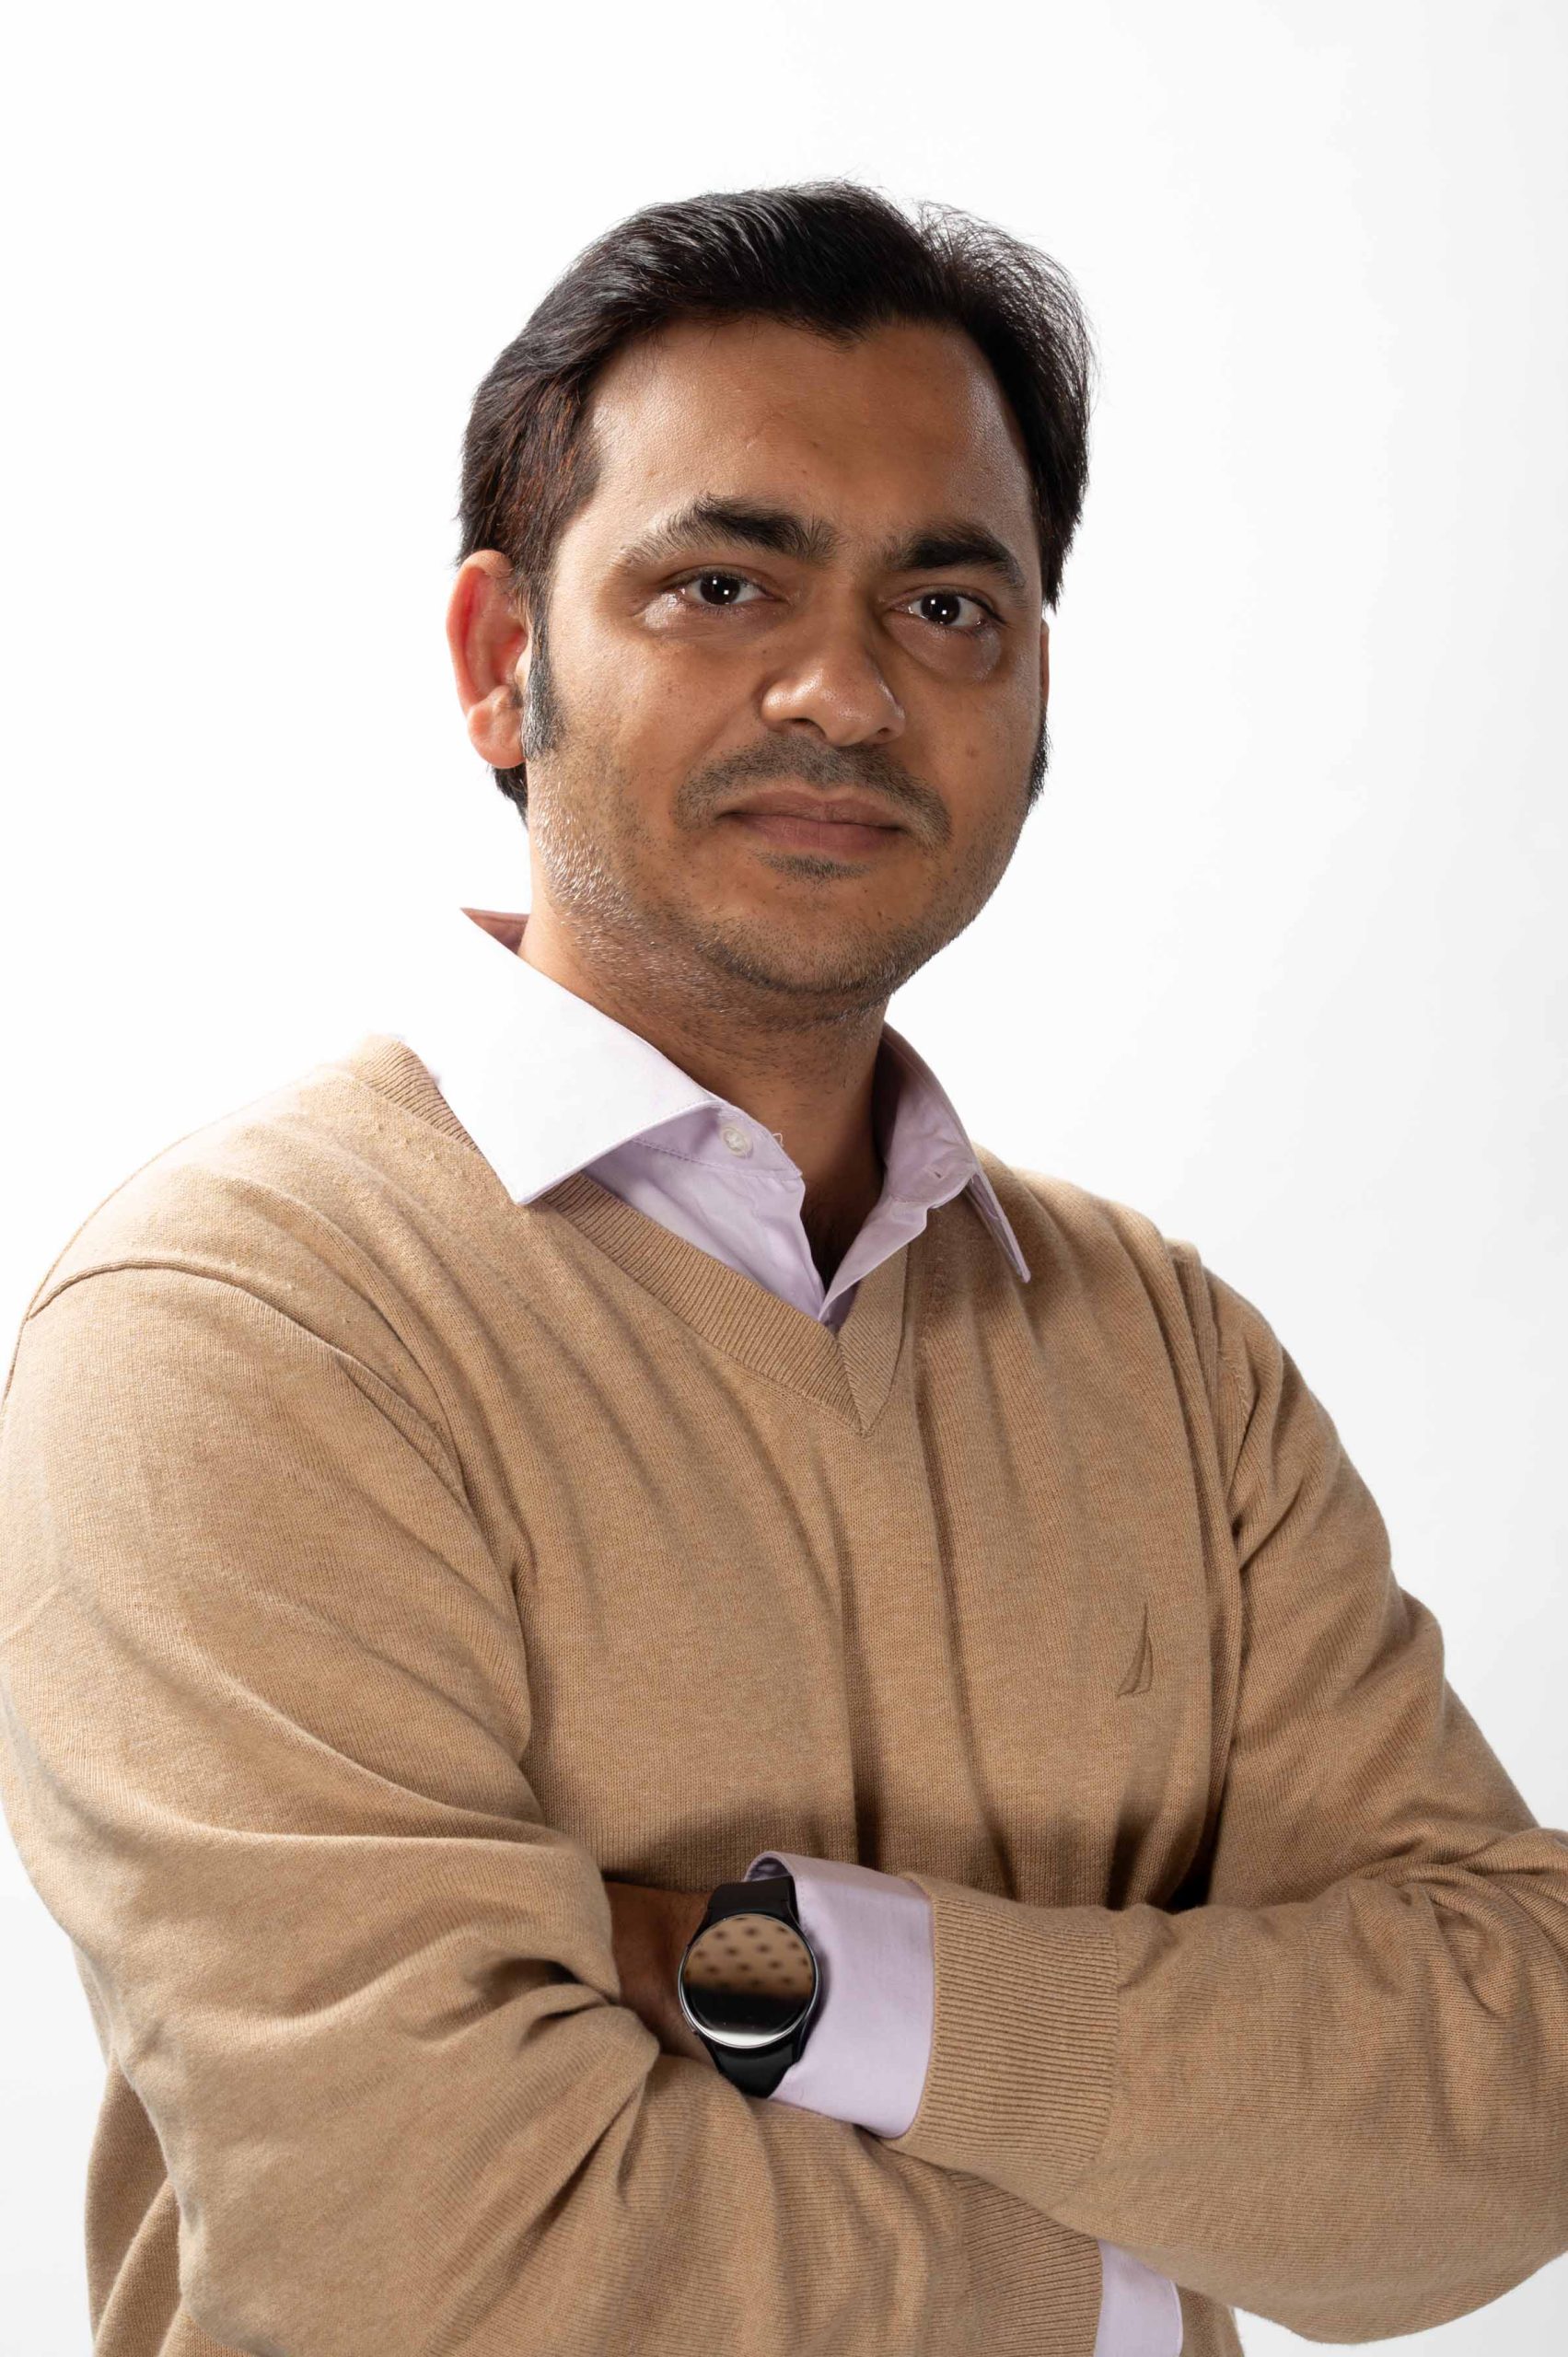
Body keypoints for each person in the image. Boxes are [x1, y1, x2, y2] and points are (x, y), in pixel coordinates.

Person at [1, 180, 1564, 2357]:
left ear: (1037, 685)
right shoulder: (239, 1328)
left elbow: (1511, 2090)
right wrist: (1141, 2275)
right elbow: (432, 2273)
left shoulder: (1167, 1351)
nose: (842, 688)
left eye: (948, 605)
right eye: (720, 582)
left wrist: (794, 1979)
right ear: (499, 661)